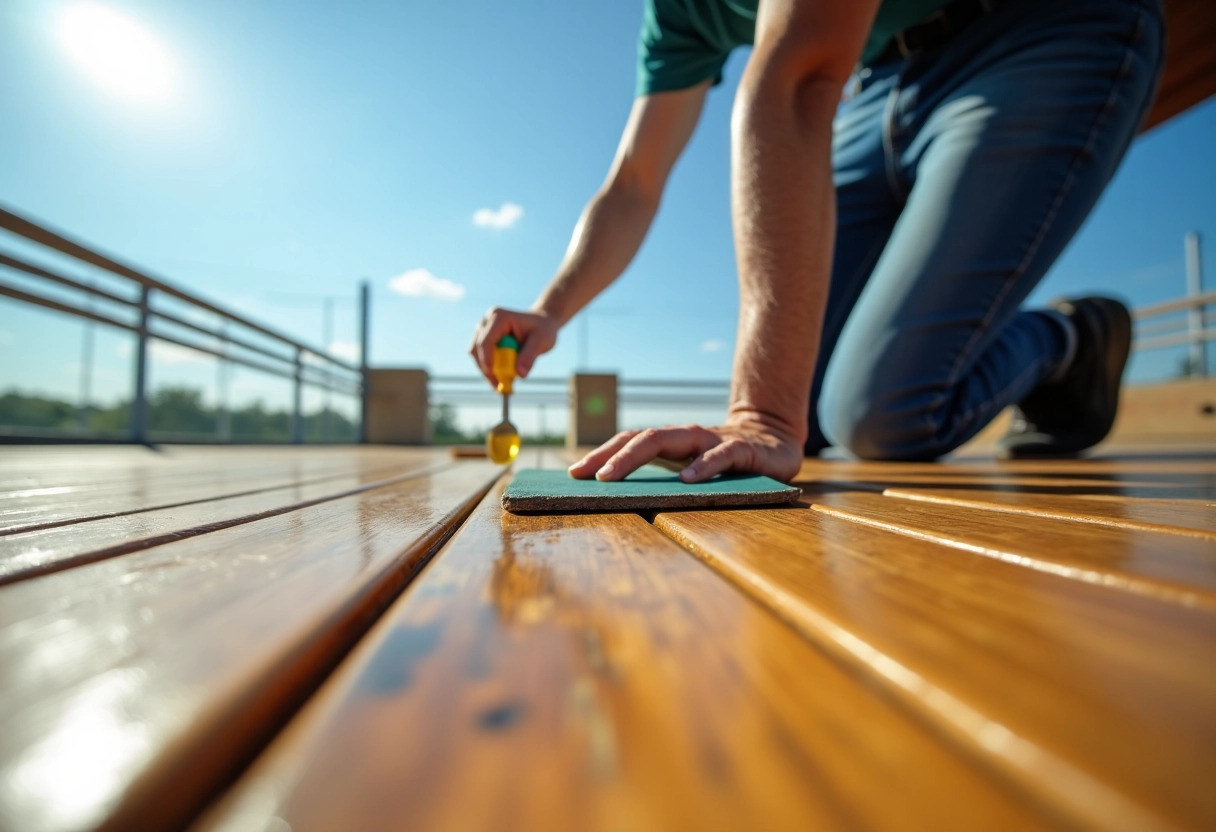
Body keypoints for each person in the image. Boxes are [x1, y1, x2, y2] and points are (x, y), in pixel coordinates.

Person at [470, 0, 1164, 483]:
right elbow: (634, 182)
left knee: (881, 417)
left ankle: (1071, 337)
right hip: (879, 78)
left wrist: (761, 415)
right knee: (817, 423)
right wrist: (550, 308)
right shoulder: (677, 13)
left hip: (1042, 30)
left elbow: (798, 80)